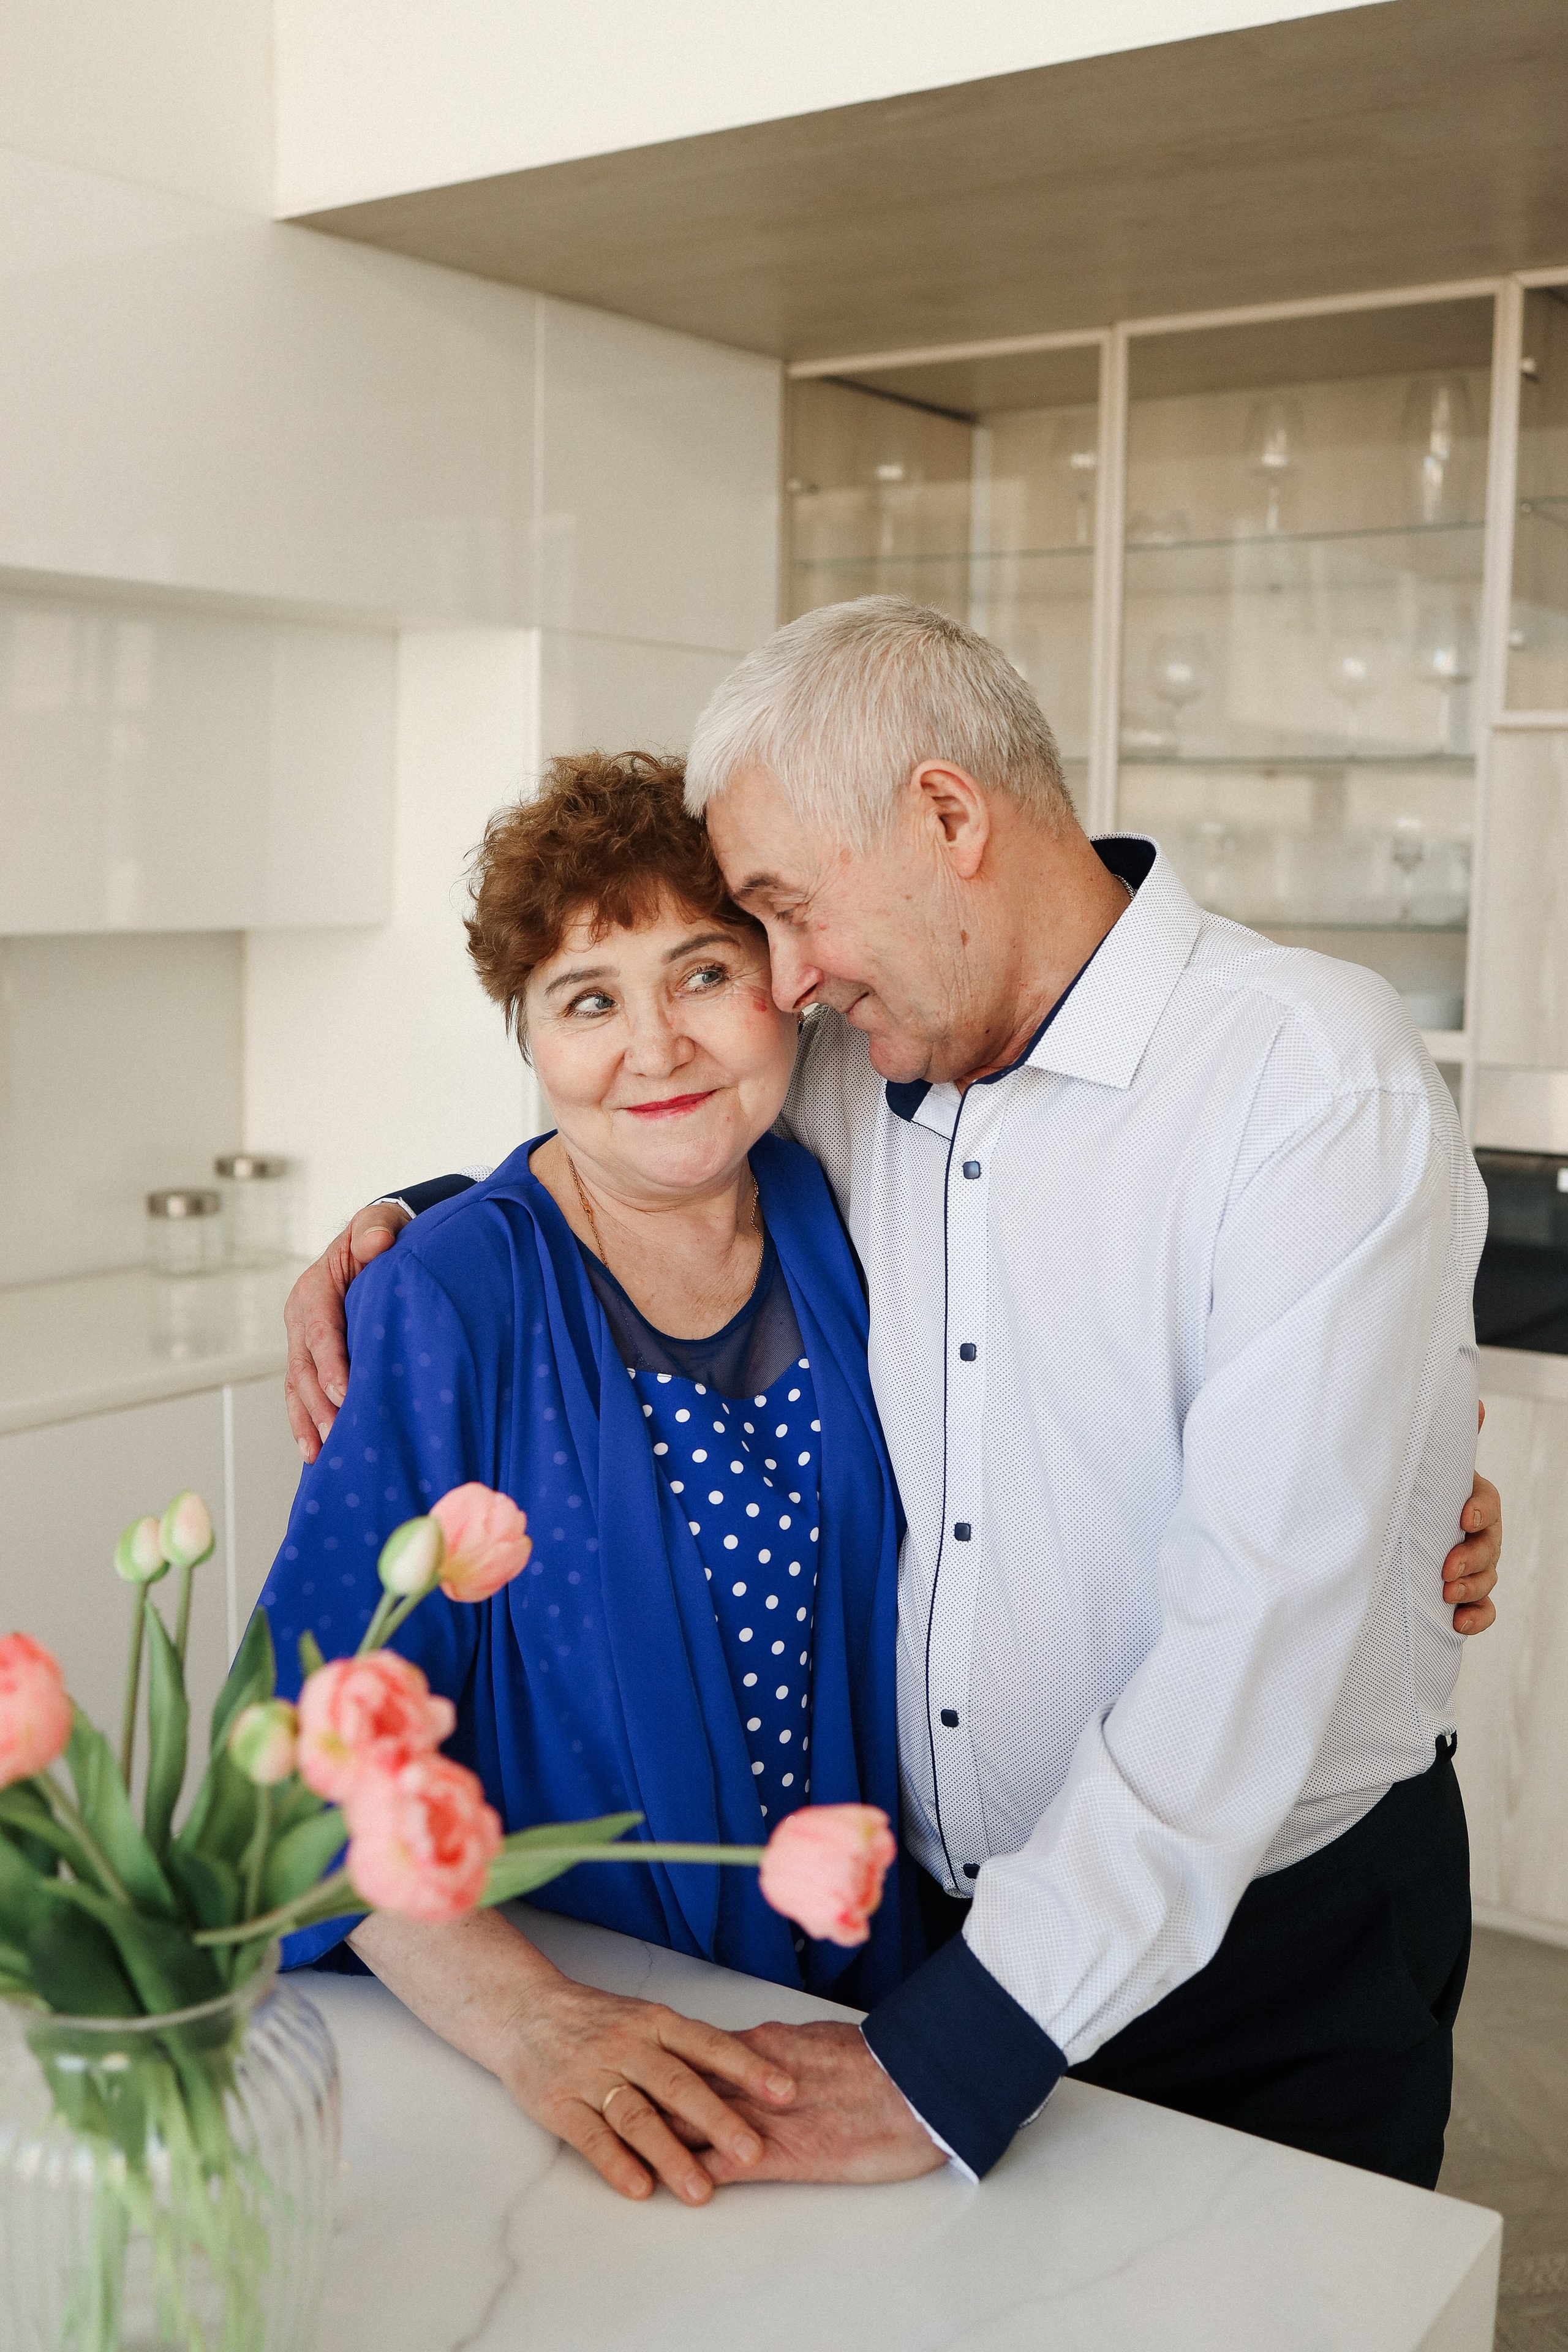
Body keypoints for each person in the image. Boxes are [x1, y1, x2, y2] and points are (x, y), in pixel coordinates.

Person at [286, 598, 1503, 2196]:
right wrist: (421, 1232)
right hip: (935, 1940)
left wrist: (966, 2048)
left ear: (947, 814)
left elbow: (1267, 1626)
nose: (781, 981)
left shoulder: (1304, 1075)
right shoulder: (869, 1049)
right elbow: (646, 1139)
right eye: (758, 934)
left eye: (780, 913)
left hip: (1266, 1960)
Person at [260, 751, 906, 2212]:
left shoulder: (832, 1206)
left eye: (701, 972)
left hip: (857, 1999)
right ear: (532, 1038)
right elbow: (320, 1732)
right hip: (590, 2017)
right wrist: (531, 2020)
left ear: (781, 982)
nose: (656, 1046)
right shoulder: (448, 1293)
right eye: (589, 999)